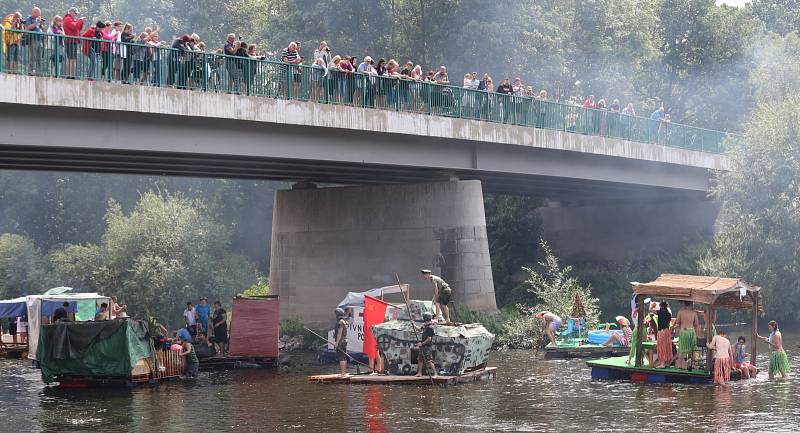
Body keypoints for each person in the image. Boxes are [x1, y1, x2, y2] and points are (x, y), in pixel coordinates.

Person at [673, 300, 700, 370]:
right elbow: (696, 324)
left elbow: (678, 323)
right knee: (693, 349)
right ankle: (693, 364)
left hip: (683, 331)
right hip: (691, 331)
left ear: (684, 304)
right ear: (691, 304)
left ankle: (681, 365)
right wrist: (698, 335)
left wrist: (679, 329)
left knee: (682, 349)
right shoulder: (694, 313)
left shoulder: (680, 312)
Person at [62, 7, 84, 78]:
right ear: (71, 12)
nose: (76, 15)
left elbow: (78, 28)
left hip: (74, 41)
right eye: (75, 13)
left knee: (73, 58)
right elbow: (73, 27)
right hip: (70, 41)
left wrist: (81, 22)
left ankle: (72, 74)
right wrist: (80, 21)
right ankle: (69, 75)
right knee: (71, 58)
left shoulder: (72, 19)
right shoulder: (67, 19)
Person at [23, 7, 46, 74]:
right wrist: (37, 22)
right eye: (39, 13)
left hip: (40, 39)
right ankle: (30, 70)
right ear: (34, 12)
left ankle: (39, 71)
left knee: (39, 56)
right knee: (33, 56)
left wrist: (41, 24)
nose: (39, 15)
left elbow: (41, 29)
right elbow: (28, 27)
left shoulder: (38, 20)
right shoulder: (29, 19)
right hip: (33, 39)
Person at [415, 311, 438, 377]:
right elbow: (419, 329)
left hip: (427, 347)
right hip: (423, 346)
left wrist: (421, 344)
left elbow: (429, 339)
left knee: (429, 360)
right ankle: (419, 373)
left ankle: (435, 373)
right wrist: (413, 324)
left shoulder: (430, 328)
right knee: (420, 359)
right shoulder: (425, 325)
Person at [655, 301, 673, 368]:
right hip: (667, 331)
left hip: (661, 331)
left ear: (661, 306)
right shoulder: (668, 313)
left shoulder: (659, 312)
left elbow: (653, 311)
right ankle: (667, 363)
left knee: (661, 347)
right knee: (667, 346)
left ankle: (662, 363)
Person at [334, 307, 349, 377]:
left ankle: (343, 374)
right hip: (344, 341)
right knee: (344, 357)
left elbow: (340, 333)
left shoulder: (340, 322)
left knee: (341, 357)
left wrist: (336, 343)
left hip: (341, 342)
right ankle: (344, 373)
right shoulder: (344, 321)